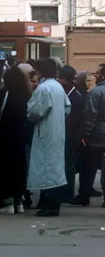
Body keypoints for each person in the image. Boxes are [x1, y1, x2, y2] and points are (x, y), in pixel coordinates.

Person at [26, 59, 70, 217]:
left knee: (47, 169)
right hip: (57, 131)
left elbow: (35, 111)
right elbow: (67, 106)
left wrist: (29, 113)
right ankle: (50, 204)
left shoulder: (43, 88)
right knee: (55, 168)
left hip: (45, 132)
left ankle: (51, 206)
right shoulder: (57, 86)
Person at [75, 63, 105, 207]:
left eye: (97, 73)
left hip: (98, 135)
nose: (95, 75)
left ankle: (84, 196)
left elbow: (90, 115)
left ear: (104, 75)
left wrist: (85, 134)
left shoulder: (95, 92)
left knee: (88, 167)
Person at [0, 64, 32, 213]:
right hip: (21, 137)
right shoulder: (26, 95)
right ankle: (19, 200)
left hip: (5, 137)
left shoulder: (4, 94)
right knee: (19, 168)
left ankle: (7, 202)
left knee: (5, 169)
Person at [58, 65, 85, 203]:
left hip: (70, 134)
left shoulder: (76, 97)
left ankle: (67, 192)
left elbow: (78, 119)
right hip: (65, 133)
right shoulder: (71, 94)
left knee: (69, 164)